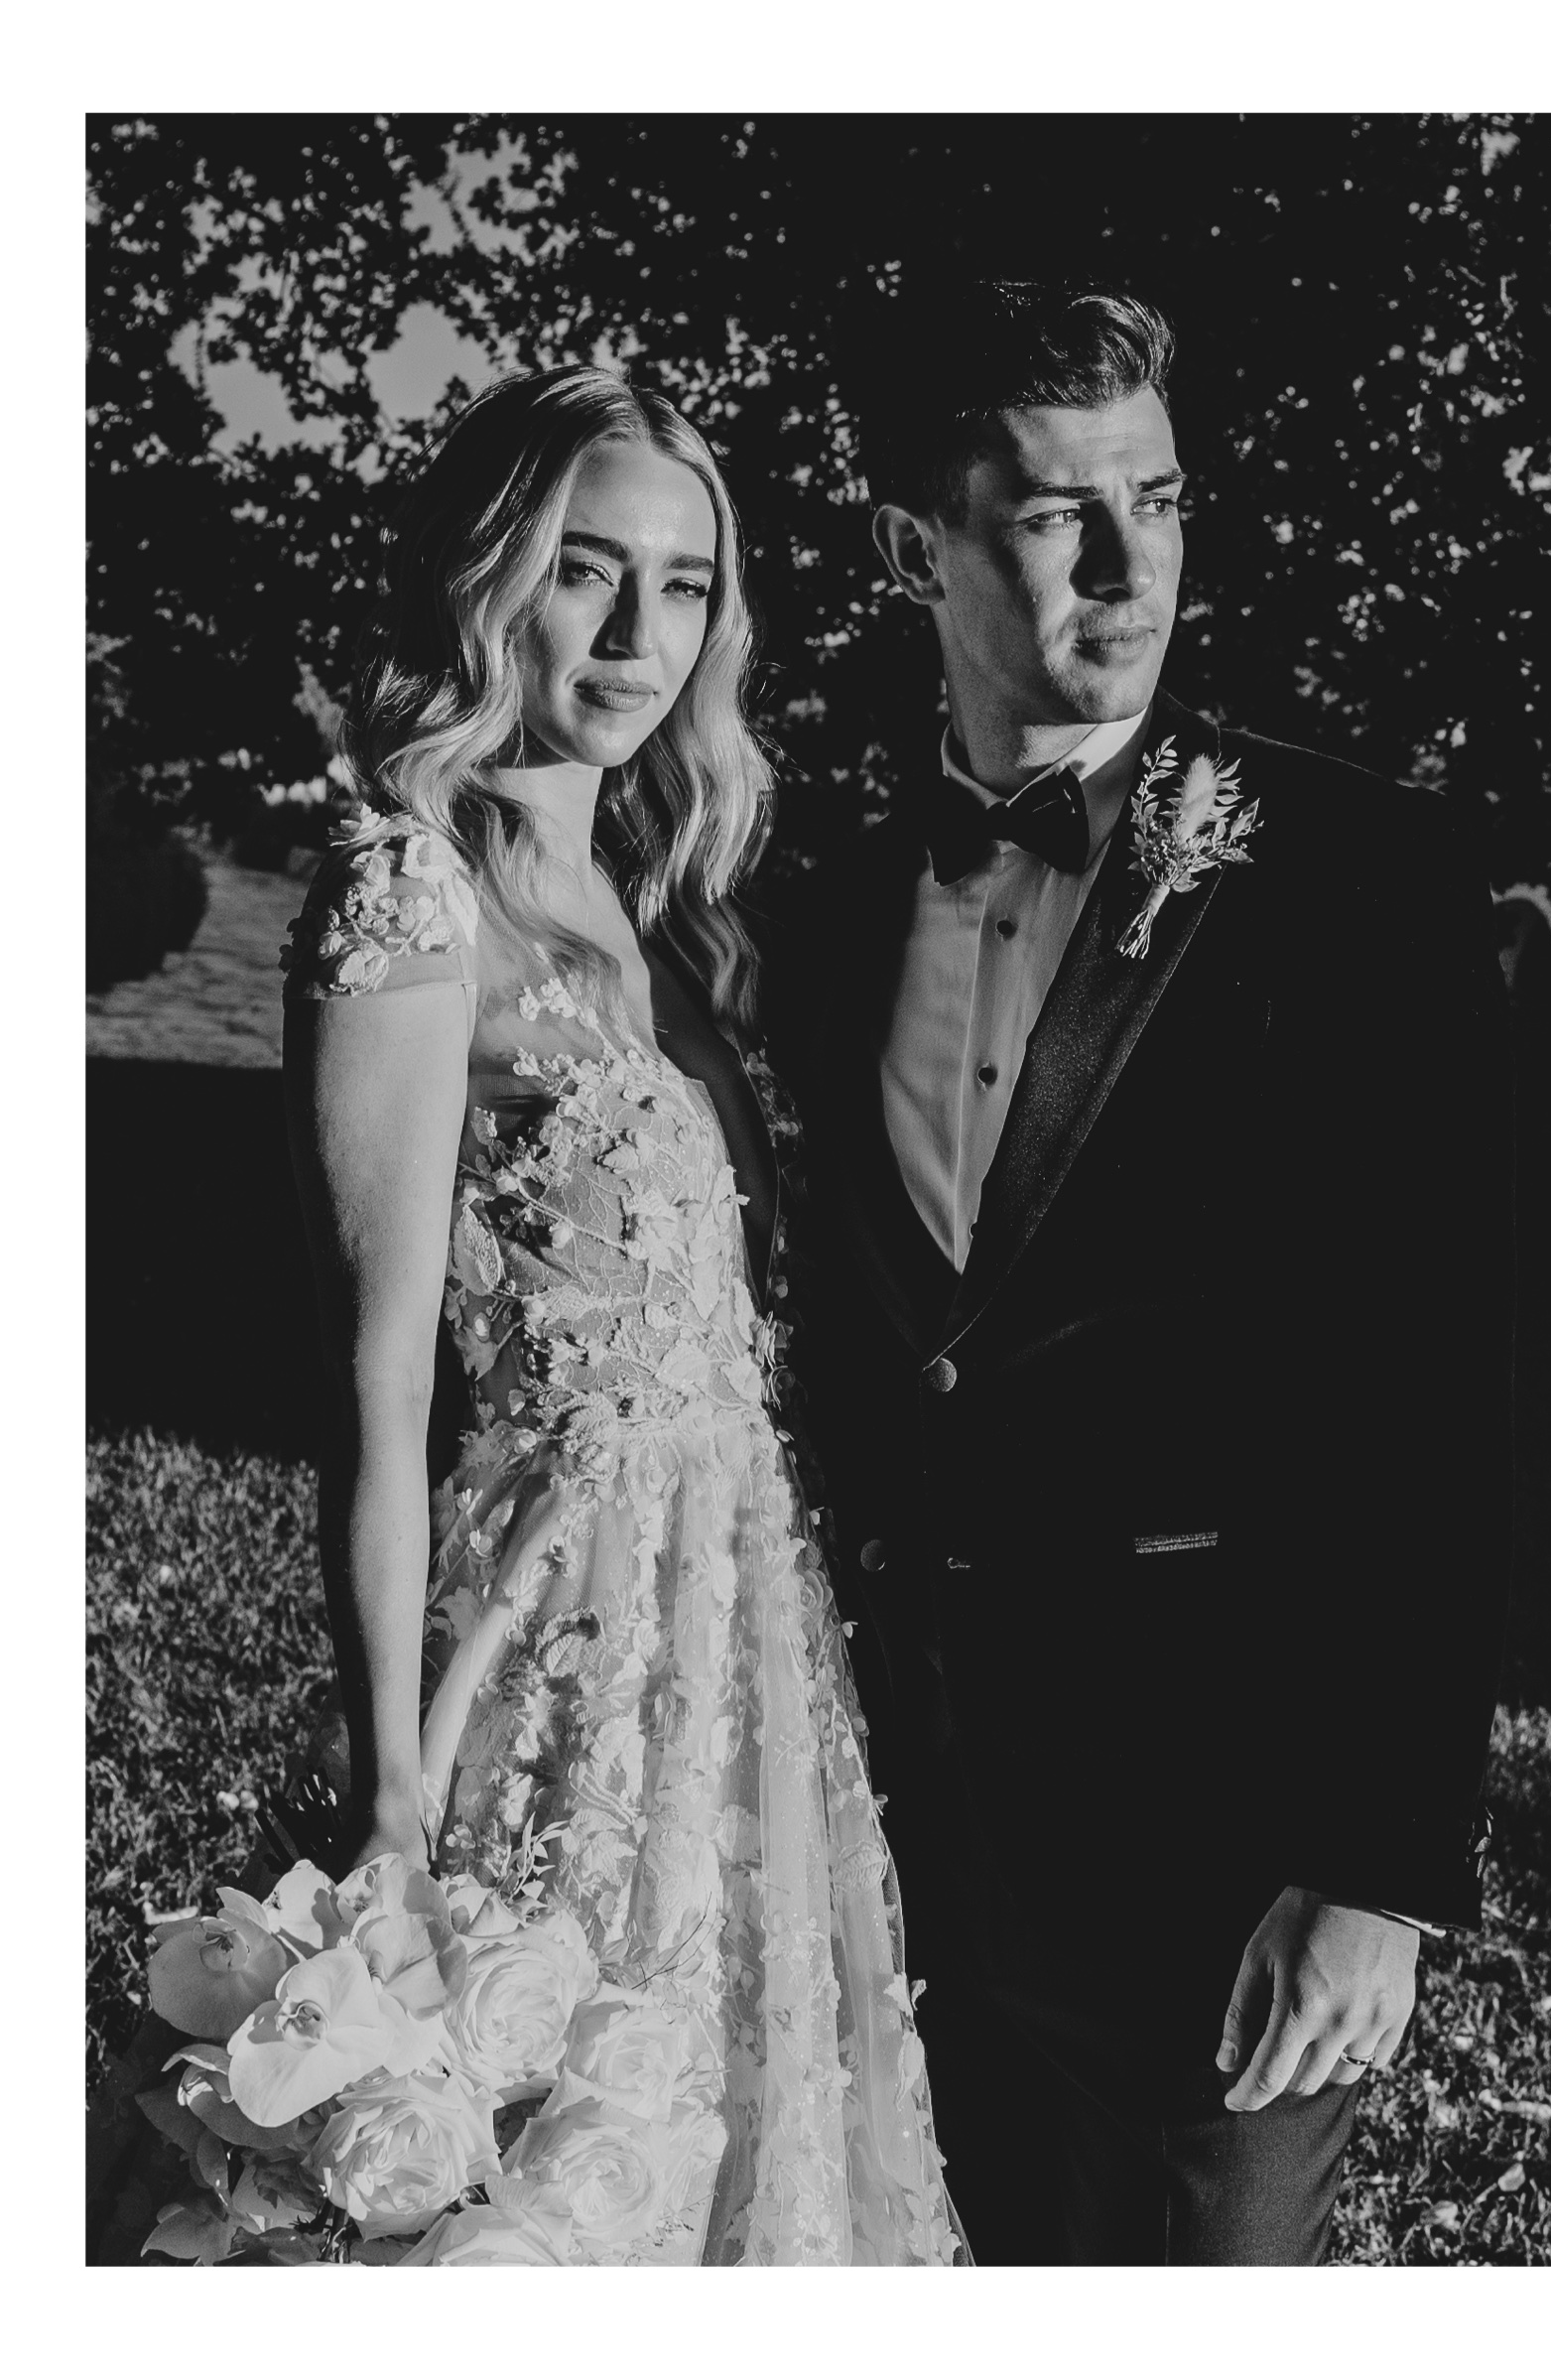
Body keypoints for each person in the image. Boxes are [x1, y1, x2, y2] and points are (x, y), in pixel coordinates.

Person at [768, 282, 1515, 2264]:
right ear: (904, 547)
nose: (1129, 562)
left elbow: (1439, 1383)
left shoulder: (1366, 878)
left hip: (1222, 1837)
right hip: (897, 1820)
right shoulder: (824, 902)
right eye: (1048, 511)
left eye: (1160, 500)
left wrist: (1374, 1860)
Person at [275, 364, 959, 2265]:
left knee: (753, 2139)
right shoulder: (412, 896)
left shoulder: (668, 906)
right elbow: (377, 1386)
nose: (640, 635)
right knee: (563, 2152)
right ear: (496, 578)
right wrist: (394, 1784)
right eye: (588, 572)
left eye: (683, 588)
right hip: (557, 1618)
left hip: (743, 1616)